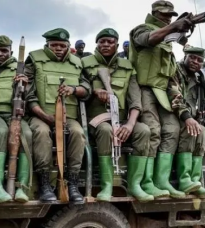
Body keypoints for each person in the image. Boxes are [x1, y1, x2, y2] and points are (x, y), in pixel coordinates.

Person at [129, 0, 194, 199]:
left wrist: (186, 115)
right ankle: (144, 182)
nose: (167, 18)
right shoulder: (141, 29)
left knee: (173, 129)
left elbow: (170, 80)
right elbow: (148, 39)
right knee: (153, 131)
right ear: (154, 13)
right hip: (142, 89)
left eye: (170, 16)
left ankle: (161, 180)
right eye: (164, 15)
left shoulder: (168, 42)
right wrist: (174, 26)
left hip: (162, 92)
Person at [82, 28, 153, 202]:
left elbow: (136, 100)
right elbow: (80, 89)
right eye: (102, 41)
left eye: (110, 42)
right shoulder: (85, 63)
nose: (106, 45)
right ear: (97, 44)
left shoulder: (128, 67)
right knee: (106, 130)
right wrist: (94, 91)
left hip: (120, 118)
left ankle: (134, 185)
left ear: (117, 45)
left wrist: (129, 124)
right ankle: (107, 185)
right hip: (96, 121)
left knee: (143, 130)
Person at [24, 28, 91, 202]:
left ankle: (72, 184)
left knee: (77, 133)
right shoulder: (35, 59)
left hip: (69, 117)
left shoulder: (77, 63)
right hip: (41, 116)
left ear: (68, 46)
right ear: (47, 45)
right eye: (54, 45)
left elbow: (87, 89)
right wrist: (45, 116)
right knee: (41, 132)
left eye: (62, 45)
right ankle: (45, 184)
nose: (58, 48)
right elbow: (28, 95)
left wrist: (74, 89)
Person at [167, 46, 205, 198]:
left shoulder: (196, 78)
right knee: (191, 130)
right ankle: (185, 179)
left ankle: (195, 181)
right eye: (192, 58)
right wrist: (188, 118)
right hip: (172, 113)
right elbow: (174, 96)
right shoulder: (175, 71)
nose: (195, 62)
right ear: (185, 57)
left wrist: (195, 117)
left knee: (201, 132)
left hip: (186, 116)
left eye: (199, 60)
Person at [0, 35, 33, 203]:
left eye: (4, 51)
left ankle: (22, 187)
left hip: (14, 113)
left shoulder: (19, 69)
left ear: (11, 52)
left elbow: (31, 96)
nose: (0, 54)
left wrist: (25, 84)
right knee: (1, 132)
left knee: (27, 134)